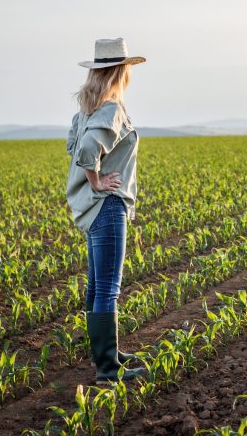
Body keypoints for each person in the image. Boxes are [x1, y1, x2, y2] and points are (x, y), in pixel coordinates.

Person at [66, 37, 146, 384]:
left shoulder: (86, 110)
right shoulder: (111, 109)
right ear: (120, 72)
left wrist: (90, 179)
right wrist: (97, 181)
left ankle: (107, 354)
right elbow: (85, 149)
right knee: (108, 287)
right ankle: (108, 370)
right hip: (107, 206)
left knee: (97, 284)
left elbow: (73, 145)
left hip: (90, 207)